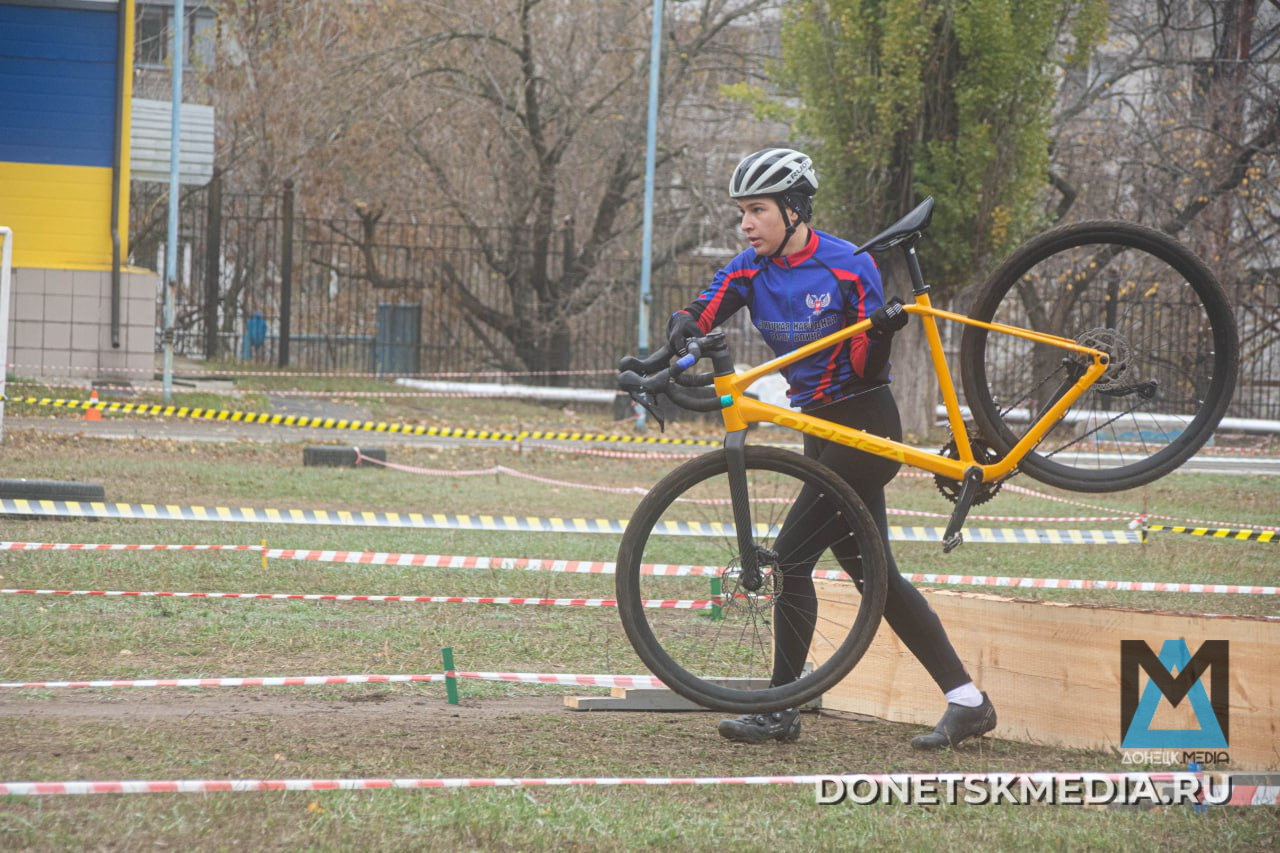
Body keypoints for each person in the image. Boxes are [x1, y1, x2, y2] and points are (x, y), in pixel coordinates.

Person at [666, 147, 997, 750]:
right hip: (817, 429)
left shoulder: (848, 265)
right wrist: (670, 344)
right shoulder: (749, 269)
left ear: (794, 209)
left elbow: (866, 367)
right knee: (875, 576)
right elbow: (701, 314)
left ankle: (780, 708)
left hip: (866, 429)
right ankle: (968, 701)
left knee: (790, 559)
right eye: (742, 212)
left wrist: (881, 334)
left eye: (758, 210)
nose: (746, 224)